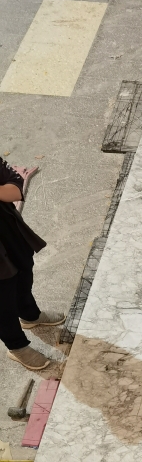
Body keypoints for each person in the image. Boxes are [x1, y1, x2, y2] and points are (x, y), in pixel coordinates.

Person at [0, 157, 64, 371]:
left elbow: (14, 188)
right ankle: (17, 347)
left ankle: (29, 315)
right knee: (2, 298)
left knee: (24, 271)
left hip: (7, 227)